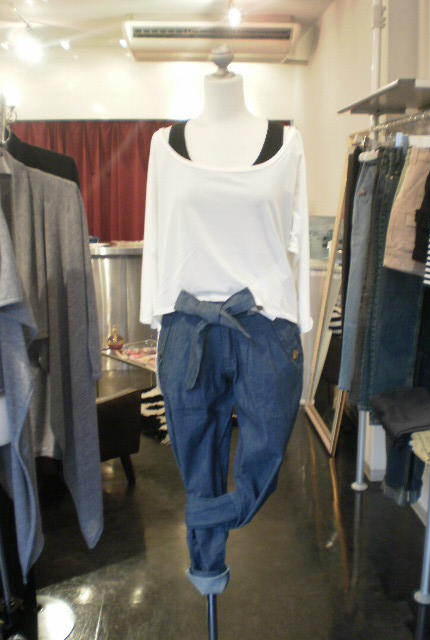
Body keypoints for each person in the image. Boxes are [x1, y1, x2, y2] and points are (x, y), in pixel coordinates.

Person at [140, 60, 312, 597]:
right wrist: (158, 318)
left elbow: (299, 241)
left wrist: (299, 315)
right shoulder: (164, 147)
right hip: (189, 327)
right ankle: (207, 565)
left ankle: (212, 514)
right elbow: (155, 237)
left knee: (264, 462)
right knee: (197, 466)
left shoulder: (288, 145)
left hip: (264, 327)